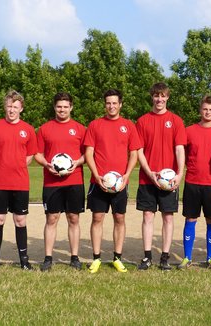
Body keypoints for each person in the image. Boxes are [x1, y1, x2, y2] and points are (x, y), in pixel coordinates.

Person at [83, 89, 141, 273]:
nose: (111, 106)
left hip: (120, 183)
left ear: (120, 104)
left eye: (115, 103)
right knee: (97, 217)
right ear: (104, 104)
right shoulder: (95, 125)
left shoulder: (128, 125)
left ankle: (117, 257)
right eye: (108, 103)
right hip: (98, 181)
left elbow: (134, 153)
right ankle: (96, 258)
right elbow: (89, 153)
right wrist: (96, 175)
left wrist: (126, 176)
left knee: (119, 218)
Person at [0, 91, 38, 272]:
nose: (12, 110)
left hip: (20, 183)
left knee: (20, 220)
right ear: (5, 107)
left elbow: (30, 155)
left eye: (15, 107)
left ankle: (24, 260)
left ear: (21, 108)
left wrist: (16, 167)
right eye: (9, 106)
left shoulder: (28, 129)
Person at [135, 82, 187, 270]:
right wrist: (150, 173)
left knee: (168, 217)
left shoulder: (176, 120)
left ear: (167, 97)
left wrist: (180, 174)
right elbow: (139, 150)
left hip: (169, 179)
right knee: (148, 216)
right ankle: (147, 256)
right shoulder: (142, 121)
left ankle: (164, 257)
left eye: (163, 96)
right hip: (147, 178)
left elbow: (179, 148)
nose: (159, 99)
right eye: (156, 96)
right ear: (152, 97)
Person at [35, 92, 86, 271]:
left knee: (73, 218)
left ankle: (74, 257)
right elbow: (37, 154)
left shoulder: (80, 129)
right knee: (52, 218)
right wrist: (47, 164)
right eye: (59, 106)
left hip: (74, 180)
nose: (62, 109)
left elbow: (87, 154)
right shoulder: (44, 129)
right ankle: (48, 258)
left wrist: (77, 163)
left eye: (65, 106)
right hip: (51, 182)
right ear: (54, 107)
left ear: (71, 107)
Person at [177, 95, 211, 271]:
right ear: (200, 110)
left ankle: (210, 258)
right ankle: (187, 257)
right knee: (190, 218)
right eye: (205, 109)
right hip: (192, 182)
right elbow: (181, 154)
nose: (208, 112)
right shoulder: (189, 131)